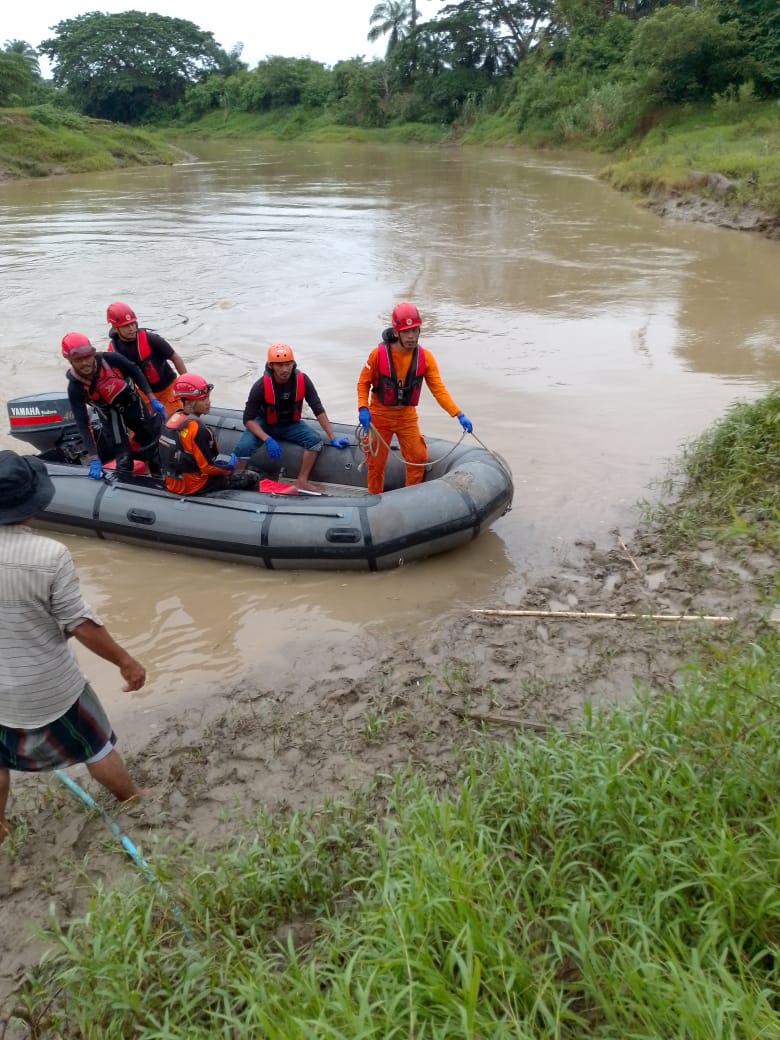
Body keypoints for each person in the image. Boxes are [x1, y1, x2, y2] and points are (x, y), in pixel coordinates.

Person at [0, 450, 147, 844]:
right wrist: (126, 662)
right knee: (95, 745)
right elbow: (79, 623)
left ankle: (0, 826)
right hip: (49, 686)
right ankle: (132, 798)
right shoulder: (50, 555)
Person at [356, 301, 474, 495]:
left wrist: (458, 414)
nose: (411, 336)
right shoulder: (377, 355)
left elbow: (438, 389)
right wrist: (363, 408)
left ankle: (410, 498)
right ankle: (374, 498)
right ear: (396, 332)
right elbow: (363, 383)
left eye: (414, 330)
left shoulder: (426, 358)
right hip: (380, 414)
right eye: (406, 331)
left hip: (406, 416)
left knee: (418, 457)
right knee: (375, 463)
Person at [234, 343, 350, 493]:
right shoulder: (261, 386)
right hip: (263, 423)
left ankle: (302, 481)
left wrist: (332, 437)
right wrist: (267, 439)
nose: (285, 369)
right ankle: (236, 481)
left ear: (293, 364)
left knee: (315, 441)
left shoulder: (302, 380)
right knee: (244, 446)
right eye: (280, 365)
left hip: (288, 423)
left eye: (288, 364)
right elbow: (248, 419)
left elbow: (318, 408)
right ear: (271, 366)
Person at [62, 332, 166, 478]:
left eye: (87, 357)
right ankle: (124, 482)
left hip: (132, 403)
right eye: (78, 360)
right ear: (69, 360)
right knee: (123, 457)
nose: (85, 363)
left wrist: (151, 397)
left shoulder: (111, 359)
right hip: (109, 416)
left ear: (93, 353)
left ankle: (159, 477)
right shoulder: (75, 388)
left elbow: (135, 371)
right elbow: (83, 423)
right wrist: (93, 457)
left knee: (151, 442)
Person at [160, 372, 276, 496]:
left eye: (207, 398)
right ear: (188, 402)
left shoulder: (172, 418)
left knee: (244, 468)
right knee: (252, 476)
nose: (208, 402)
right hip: (194, 485)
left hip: (173, 481)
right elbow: (207, 468)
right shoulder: (197, 429)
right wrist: (228, 469)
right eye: (203, 399)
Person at [106, 301, 187, 417]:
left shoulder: (151, 339)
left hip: (168, 388)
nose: (131, 329)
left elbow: (175, 357)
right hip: (144, 394)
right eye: (126, 326)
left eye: (133, 324)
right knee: (145, 425)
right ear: (115, 328)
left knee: (175, 421)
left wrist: (186, 382)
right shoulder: (114, 350)